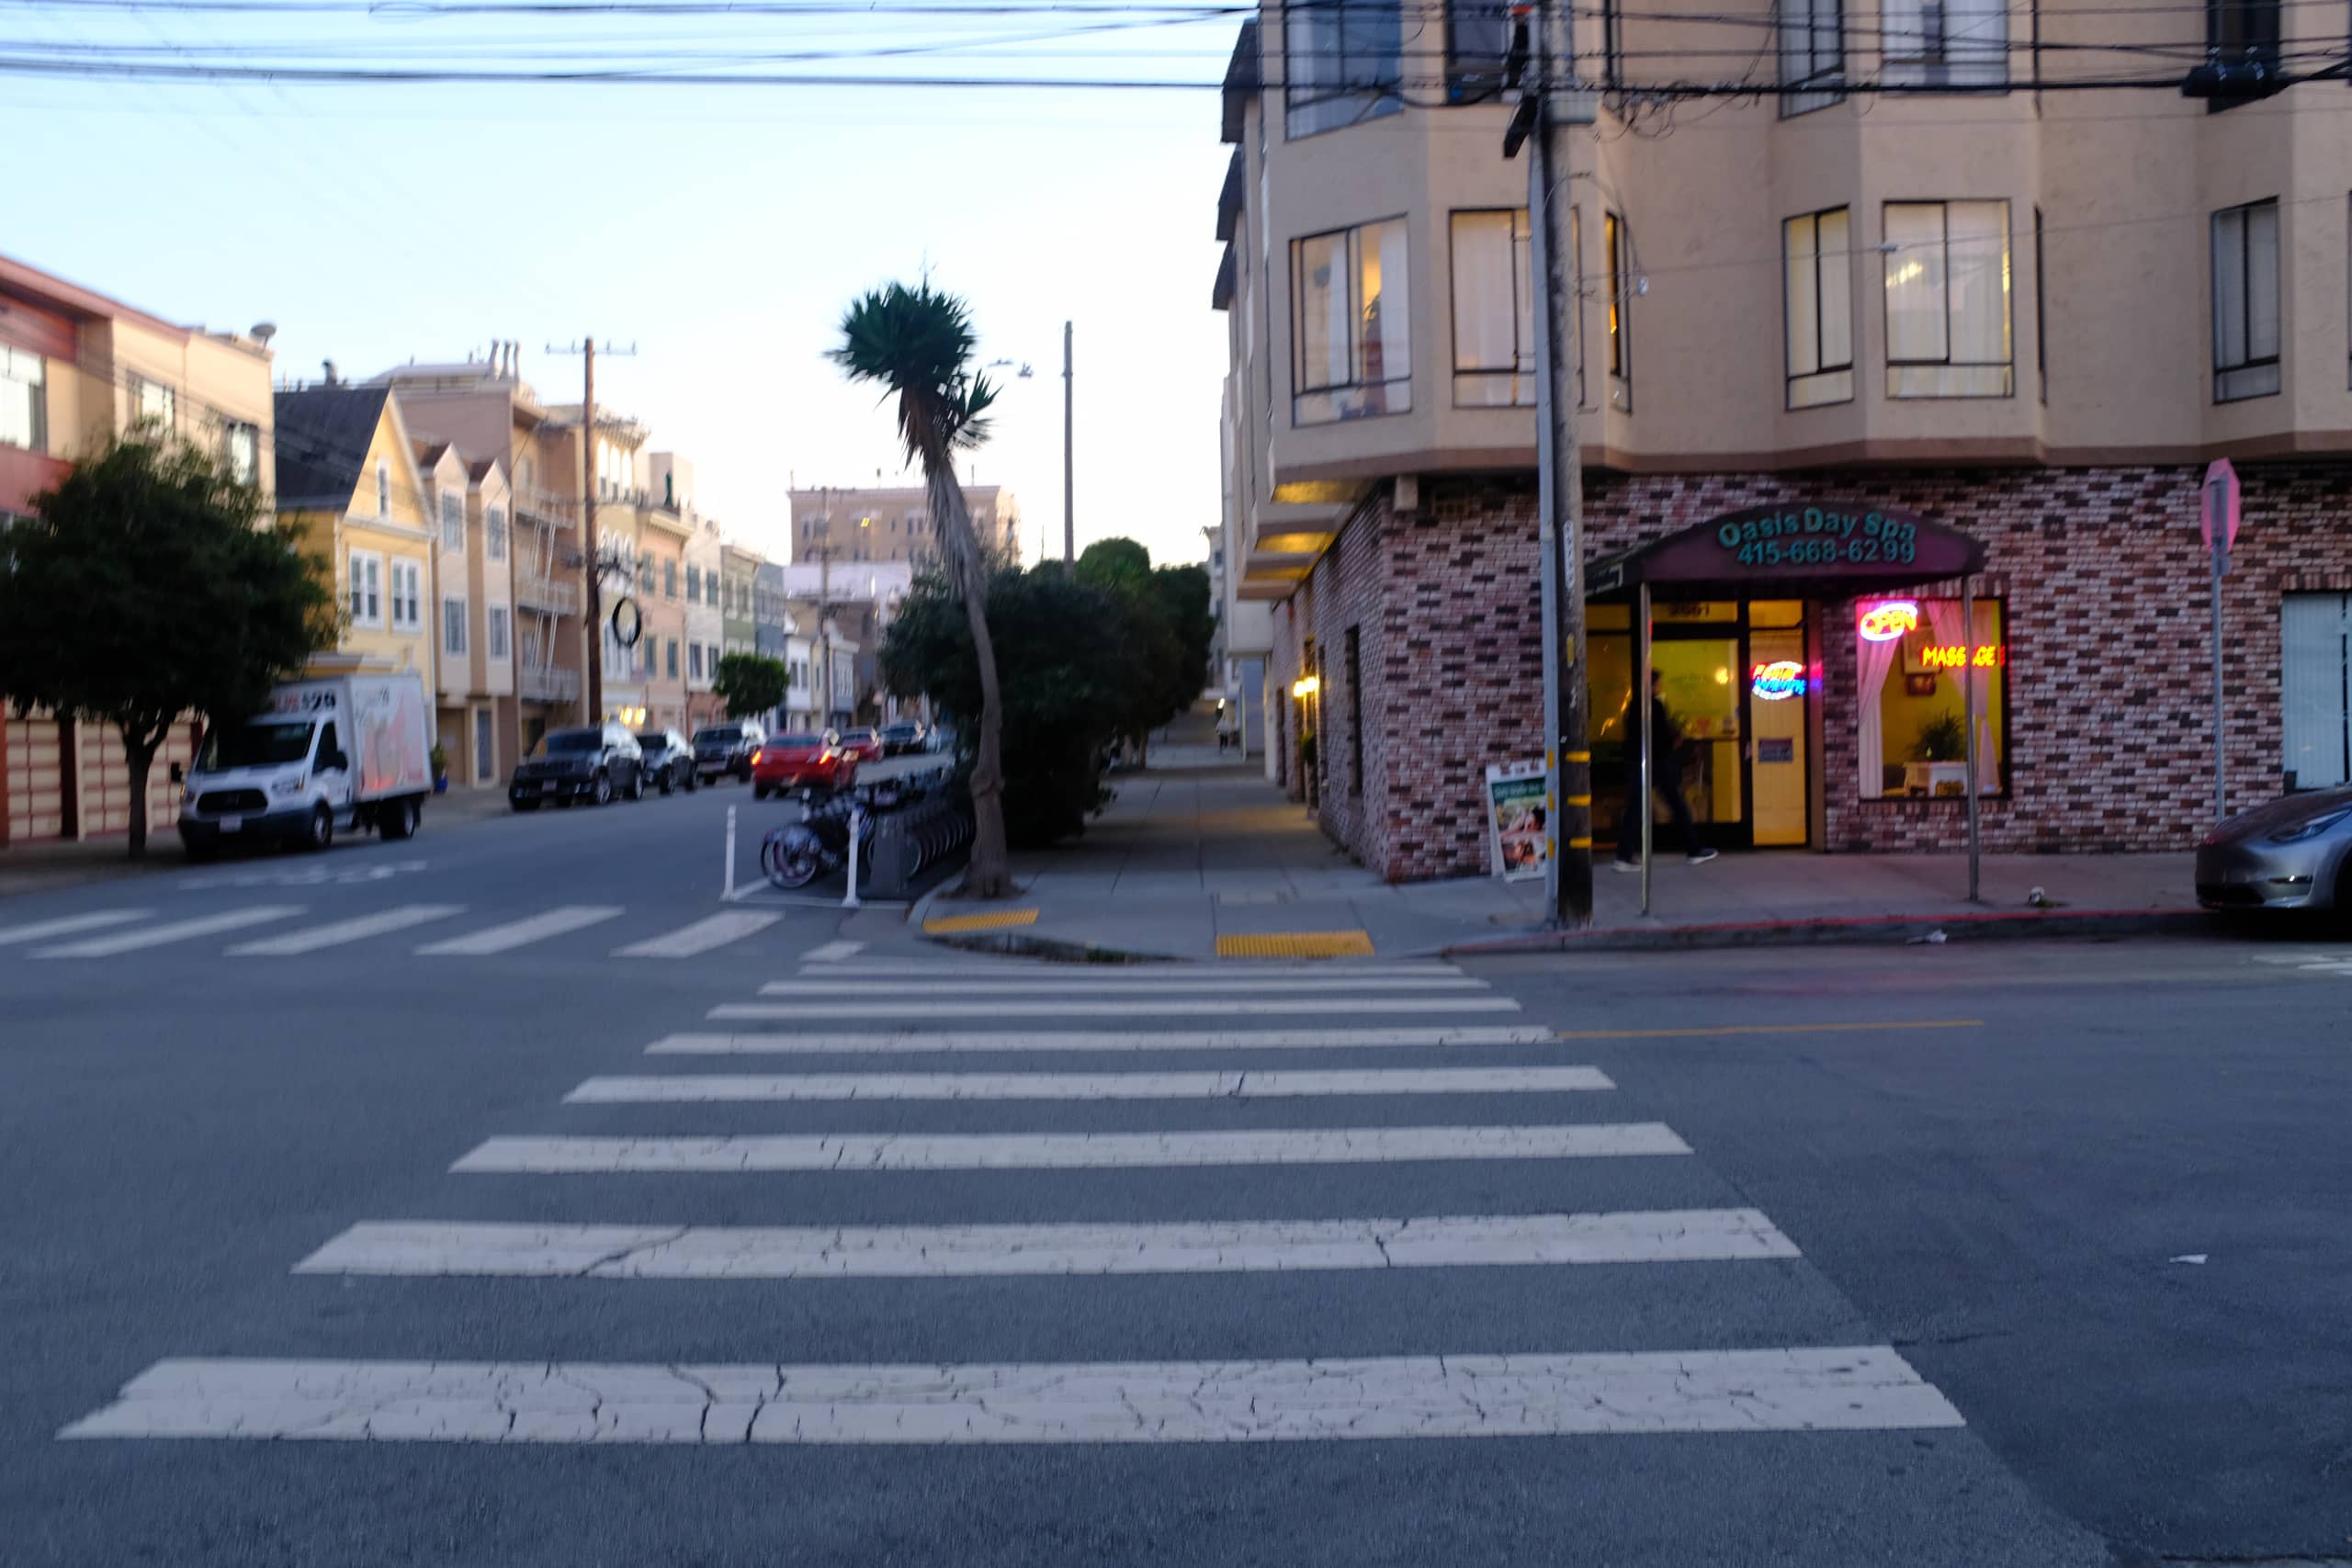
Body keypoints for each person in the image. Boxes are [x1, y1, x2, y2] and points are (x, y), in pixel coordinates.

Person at [1614, 669, 1718, 870]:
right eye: (1658, 683)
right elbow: (1660, 738)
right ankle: (1694, 849)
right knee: (1677, 804)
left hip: (1637, 762)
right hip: (1658, 763)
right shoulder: (1655, 706)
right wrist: (1675, 742)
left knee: (1635, 808)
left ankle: (1623, 855)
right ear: (1652, 685)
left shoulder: (1633, 706)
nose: (1659, 687)